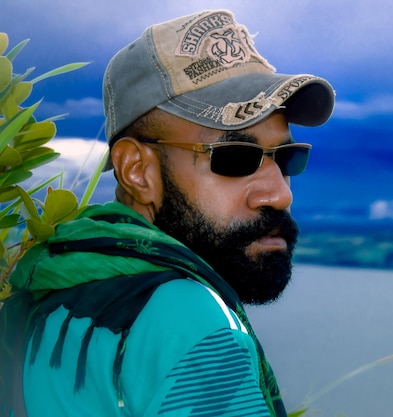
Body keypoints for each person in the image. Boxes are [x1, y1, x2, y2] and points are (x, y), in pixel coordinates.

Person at [0, 9, 334, 417]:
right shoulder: (189, 318)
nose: (280, 194)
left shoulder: (52, 293)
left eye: (286, 158)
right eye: (234, 157)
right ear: (137, 170)